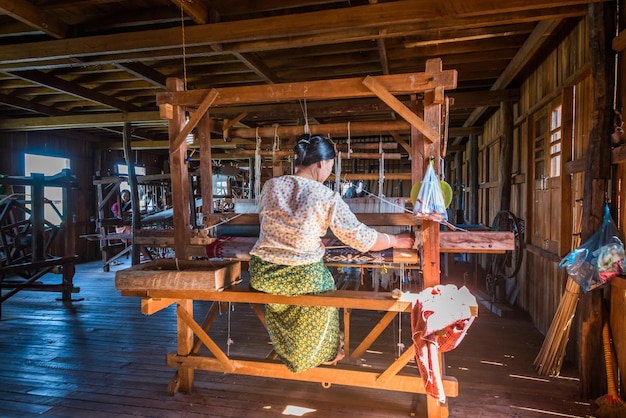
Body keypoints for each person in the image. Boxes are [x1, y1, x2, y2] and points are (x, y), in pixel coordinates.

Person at [249, 133, 414, 373]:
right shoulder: (326, 196)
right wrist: (394, 239)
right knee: (325, 288)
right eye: (331, 166)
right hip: (301, 278)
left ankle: (290, 351)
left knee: (285, 307)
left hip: (263, 273)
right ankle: (324, 354)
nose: (330, 171)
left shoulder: (270, 186)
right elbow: (360, 238)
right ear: (320, 164)